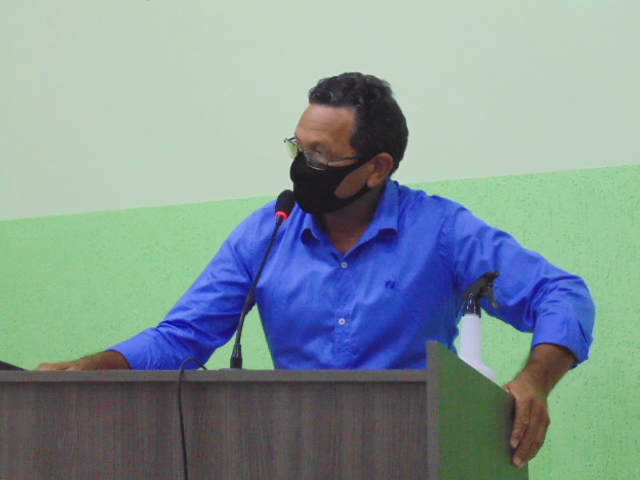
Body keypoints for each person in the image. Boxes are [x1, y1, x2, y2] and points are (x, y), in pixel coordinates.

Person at [38, 72, 595, 468]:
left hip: (416, 456)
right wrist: (91, 368)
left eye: (321, 156)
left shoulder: (441, 231)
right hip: (292, 455)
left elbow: (561, 294)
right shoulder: (269, 231)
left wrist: (534, 380)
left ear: (377, 168)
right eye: (298, 149)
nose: (303, 167)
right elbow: (181, 336)